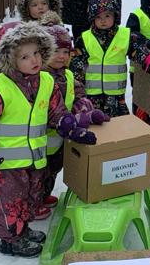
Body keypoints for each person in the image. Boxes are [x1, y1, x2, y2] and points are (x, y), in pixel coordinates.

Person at [0, 22, 87, 257]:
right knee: (9, 201)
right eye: (24, 57)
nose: (34, 60)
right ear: (10, 60)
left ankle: (22, 230)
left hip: (36, 158)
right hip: (7, 164)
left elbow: (57, 112)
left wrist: (72, 128)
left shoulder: (46, 81)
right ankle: (10, 240)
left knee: (29, 197)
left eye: (36, 52)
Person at [40, 23, 109, 213]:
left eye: (65, 52)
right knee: (38, 174)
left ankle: (43, 195)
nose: (61, 56)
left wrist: (86, 110)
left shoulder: (68, 75)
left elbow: (78, 95)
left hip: (63, 136)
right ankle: (34, 202)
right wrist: (75, 121)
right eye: (56, 51)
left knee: (53, 169)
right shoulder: (40, 77)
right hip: (43, 137)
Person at [69, 0, 150, 118]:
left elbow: (138, 48)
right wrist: (76, 85)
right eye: (98, 17)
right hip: (92, 96)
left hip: (116, 97)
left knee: (119, 124)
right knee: (95, 123)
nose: (103, 20)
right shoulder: (85, 39)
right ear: (92, 18)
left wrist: (148, 58)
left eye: (107, 16)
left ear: (115, 15)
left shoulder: (125, 36)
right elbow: (77, 63)